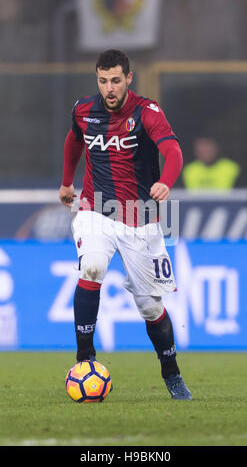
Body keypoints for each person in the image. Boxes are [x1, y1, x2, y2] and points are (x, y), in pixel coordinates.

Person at [59, 49, 192, 400]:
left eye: (116, 80)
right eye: (103, 81)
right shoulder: (84, 110)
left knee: (150, 306)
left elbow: (173, 150)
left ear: (129, 78)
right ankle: (85, 359)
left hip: (141, 220)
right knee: (91, 268)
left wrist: (166, 181)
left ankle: (171, 373)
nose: (109, 88)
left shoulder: (146, 112)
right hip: (94, 209)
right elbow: (74, 141)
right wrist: (66, 182)